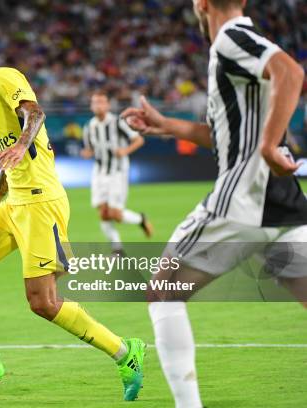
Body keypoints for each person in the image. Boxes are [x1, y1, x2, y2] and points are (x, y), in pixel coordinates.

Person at [0, 27, 145, 401]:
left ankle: (124, 351)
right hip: (15, 202)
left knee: (43, 303)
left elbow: (34, 112)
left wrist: (21, 143)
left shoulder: (6, 78)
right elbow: (10, 162)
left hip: (41, 204)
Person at [121, 1, 307, 407]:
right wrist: (167, 126)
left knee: (163, 291)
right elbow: (225, 135)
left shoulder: (229, 39)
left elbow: (292, 73)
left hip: (241, 200)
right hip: (284, 202)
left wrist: (268, 145)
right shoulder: (242, 47)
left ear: (201, 4)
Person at [81, 90, 153, 256]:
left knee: (115, 214)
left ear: (107, 105)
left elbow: (139, 140)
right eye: (95, 102)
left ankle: (140, 219)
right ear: (91, 106)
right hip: (99, 172)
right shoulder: (89, 126)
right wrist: (87, 153)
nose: (98, 105)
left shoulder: (118, 122)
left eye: (101, 102)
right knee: (104, 213)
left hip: (117, 172)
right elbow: (90, 149)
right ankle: (117, 248)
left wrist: (125, 150)